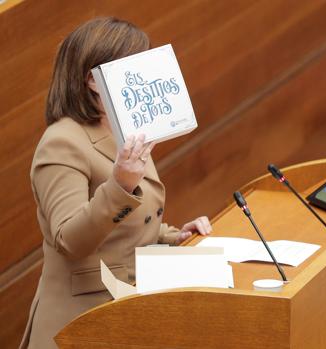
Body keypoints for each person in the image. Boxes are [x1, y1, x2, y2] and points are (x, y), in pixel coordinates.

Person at [20, 17, 212, 349]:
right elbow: (69, 240)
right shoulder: (61, 142)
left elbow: (127, 227)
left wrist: (173, 235)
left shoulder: (125, 128)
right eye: (134, 65)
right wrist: (120, 184)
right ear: (93, 79)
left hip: (128, 308)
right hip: (81, 322)